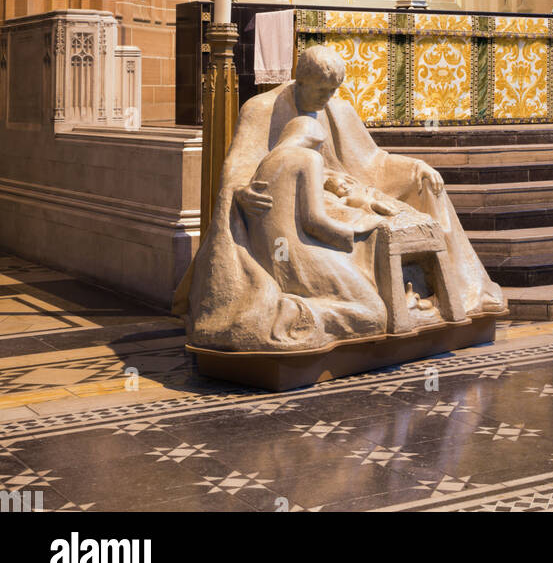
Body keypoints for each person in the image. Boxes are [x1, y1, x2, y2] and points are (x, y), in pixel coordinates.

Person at [177, 46, 505, 350]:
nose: (328, 98)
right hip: (299, 207)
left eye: (333, 91)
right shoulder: (262, 108)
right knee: (371, 229)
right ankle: (377, 304)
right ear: (300, 81)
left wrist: (416, 168)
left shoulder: (339, 109)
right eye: (321, 90)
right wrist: (241, 190)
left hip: (346, 193)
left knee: (428, 187)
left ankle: (451, 292)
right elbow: (241, 165)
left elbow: (373, 162)